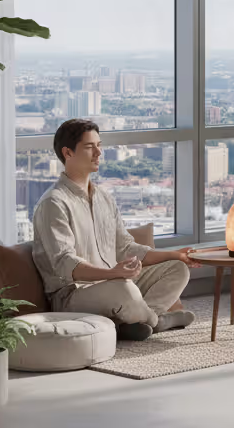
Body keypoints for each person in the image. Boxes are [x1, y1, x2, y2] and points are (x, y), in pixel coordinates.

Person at [32, 119, 199, 341]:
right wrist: (113, 274)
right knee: (125, 290)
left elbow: (126, 247)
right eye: (90, 147)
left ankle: (132, 322)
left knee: (178, 269)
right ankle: (158, 321)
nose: (99, 152)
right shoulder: (53, 203)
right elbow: (65, 264)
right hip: (74, 295)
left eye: (99, 145)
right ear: (67, 153)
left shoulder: (104, 198)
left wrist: (175, 255)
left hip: (114, 282)